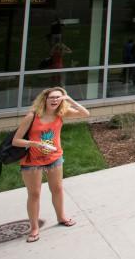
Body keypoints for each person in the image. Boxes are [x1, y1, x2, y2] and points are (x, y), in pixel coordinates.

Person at [11, 87, 90, 242]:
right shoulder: (32, 116)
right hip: (32, 161)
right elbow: (16, 141)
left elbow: (85, 114)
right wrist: (35, 144)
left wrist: (70, 100)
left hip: (54, 158)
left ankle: (61, 218)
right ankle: (34, 228)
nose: (55, 100)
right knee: (34, 194)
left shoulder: (61, 113)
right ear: (44, 99)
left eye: (58, 98)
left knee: (58, 189)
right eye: (52, 97)